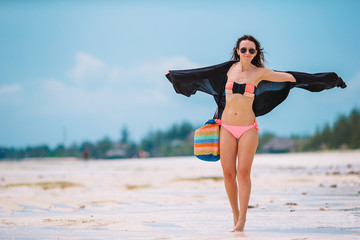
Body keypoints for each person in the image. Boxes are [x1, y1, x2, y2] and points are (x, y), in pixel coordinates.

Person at [165, 35, 346, 232]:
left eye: (252, 50)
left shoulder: (260, 73)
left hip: (248, 129)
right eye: (244, 50)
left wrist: (329, 80)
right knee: (228, 174)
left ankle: (242, 219)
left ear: (256, 53)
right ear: (237, 51)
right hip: (225, 127)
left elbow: (292, 77)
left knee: (243, 174)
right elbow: (200, 74)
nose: (248, 53)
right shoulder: (226, 70)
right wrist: (175, 76)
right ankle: (235, 214)